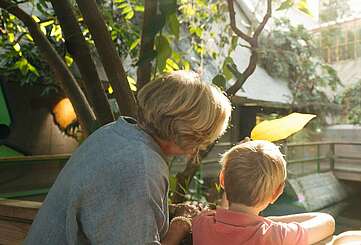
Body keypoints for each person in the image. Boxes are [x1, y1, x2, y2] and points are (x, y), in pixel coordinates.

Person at [25, 70, 232, 245]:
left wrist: (168, 210)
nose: (201, 146)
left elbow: (112, 208)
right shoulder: (141, 166)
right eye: (203, 137)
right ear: (189, 131)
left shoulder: (116, 133)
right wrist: (182, 223)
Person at [193, 140, 335, 245]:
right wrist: (269, 220)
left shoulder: (202, 222)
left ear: (222, 179)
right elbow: (327, 221)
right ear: (277, 193)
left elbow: (225, 214)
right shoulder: (276, 235)